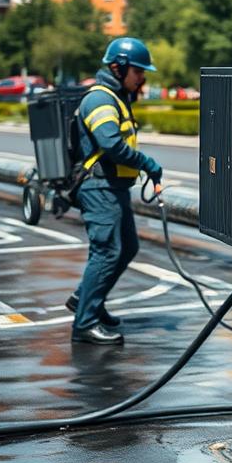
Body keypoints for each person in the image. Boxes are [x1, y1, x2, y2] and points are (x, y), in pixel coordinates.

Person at [69, 37, 163, 346]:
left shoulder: (116, 97)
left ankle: (86, 299)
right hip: (99, 186)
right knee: (107, 251)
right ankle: (85, 323)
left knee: (128, 247)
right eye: (138, 71)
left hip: (114, 187)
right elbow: (110, 144)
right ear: (118, 68)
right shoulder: (100, 99)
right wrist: (147, 162)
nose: (142, 77)